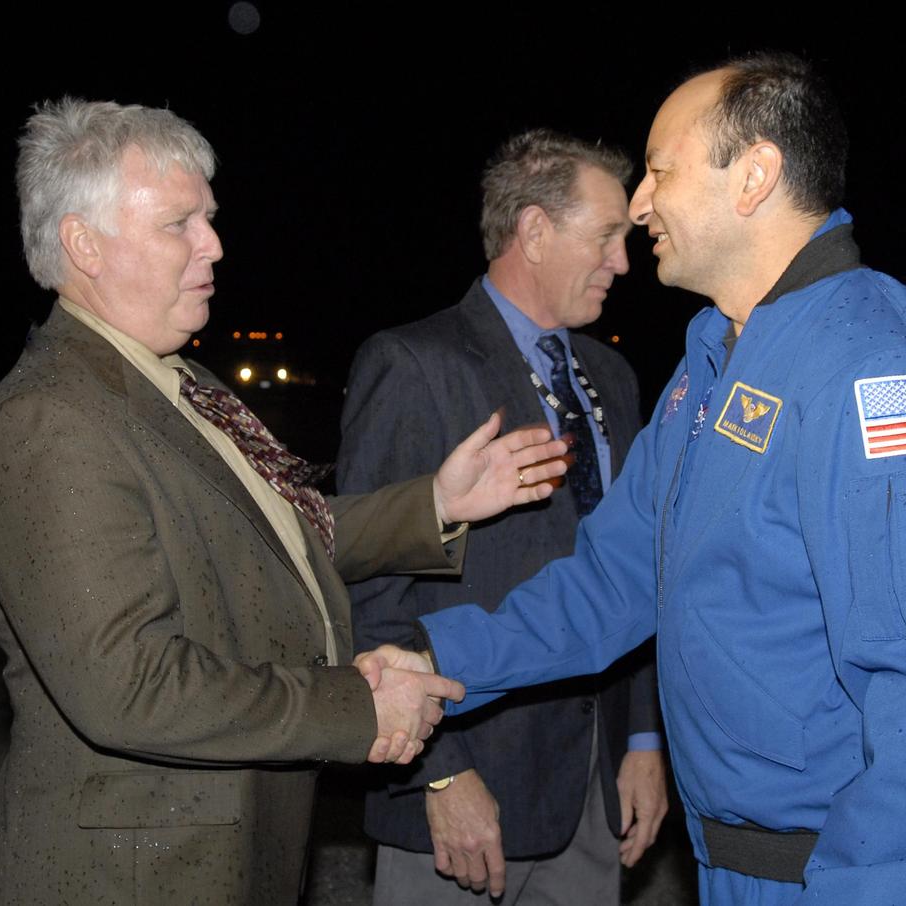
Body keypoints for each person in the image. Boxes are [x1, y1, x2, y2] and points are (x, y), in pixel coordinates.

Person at [367, 52, 906, 905]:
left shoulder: (889, 370)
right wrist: (432, 655)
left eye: (660, 170)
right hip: (727, 866)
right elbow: (611, 584)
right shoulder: (708, 368)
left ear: (754, 176)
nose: (640, 203)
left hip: (840, 876)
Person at [0, 98, 568, 906]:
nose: (214, 245)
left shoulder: (177, 383)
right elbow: (129, 687)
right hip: (134, 874)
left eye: (208, 219)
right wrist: (357, 705)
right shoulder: (51, 420)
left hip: (231, 851)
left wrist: (437, 501)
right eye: (179, 223)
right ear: (84, 244)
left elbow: (279, 537)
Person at [338, 129, 666, 904]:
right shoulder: (414, 363)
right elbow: (366, 588)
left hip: (591, 786)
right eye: (607, 237)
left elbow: (636, 568)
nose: (624, 262)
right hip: (462, 793)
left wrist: (643, 739)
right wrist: (441, 771)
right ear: (534, 231)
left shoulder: (612, 376)